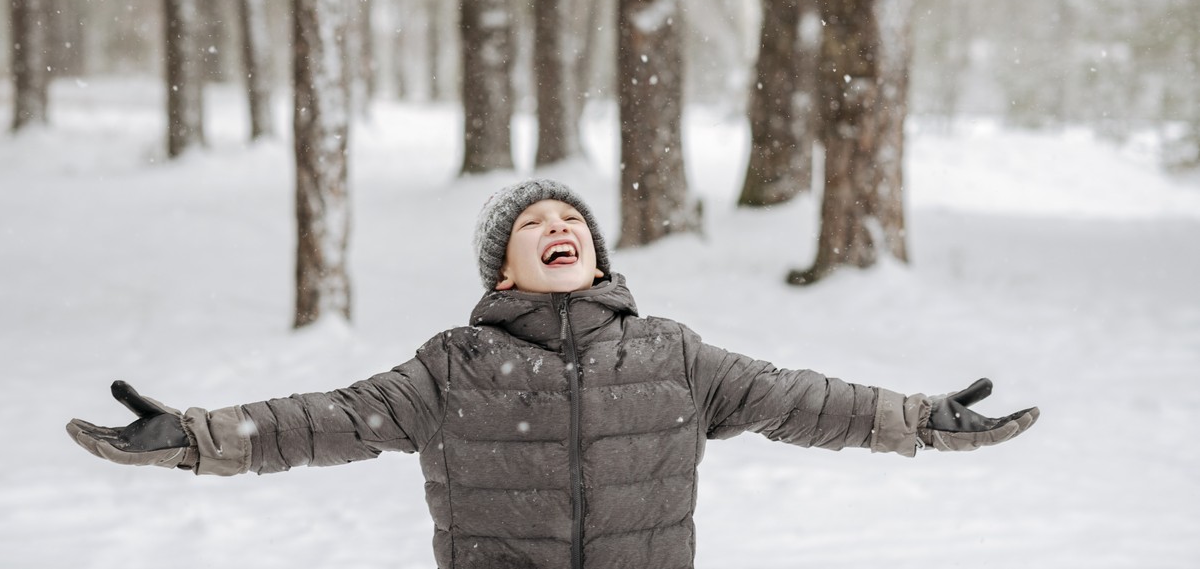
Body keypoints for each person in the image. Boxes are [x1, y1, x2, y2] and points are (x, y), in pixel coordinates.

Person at [68, 179, 1039, 569]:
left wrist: (915, 417)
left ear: (600, 255)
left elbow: (801, 399)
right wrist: (197, 437)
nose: (560, 226)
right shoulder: (454, 365)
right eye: (535, 223)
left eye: (572, 219)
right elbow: (327, 416)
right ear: (503, 268)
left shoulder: (670, 353)